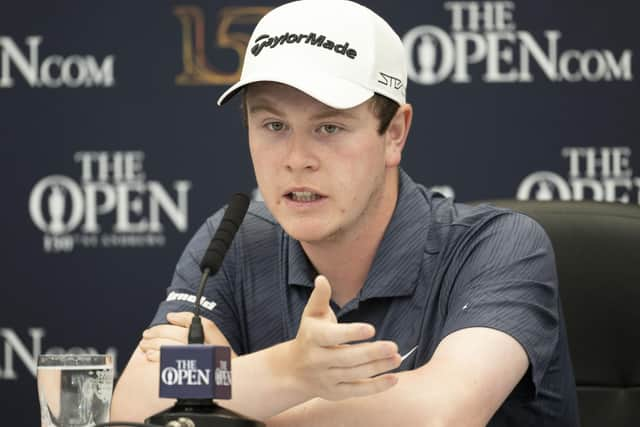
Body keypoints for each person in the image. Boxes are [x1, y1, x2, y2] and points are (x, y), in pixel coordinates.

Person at [111, 0, 579, 425]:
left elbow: (440, 414)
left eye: (329, 127)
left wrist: (232, 391)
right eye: (273, 125)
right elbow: (133, 402)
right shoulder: (233, 242)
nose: (297, 158)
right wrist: (292, 371)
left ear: (394, 132)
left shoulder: (501, 246)